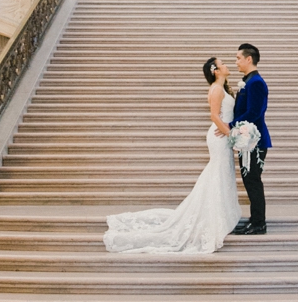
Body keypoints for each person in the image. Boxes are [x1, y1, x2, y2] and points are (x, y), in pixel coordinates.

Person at [103, 57, 242, 253]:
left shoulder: (222, 87)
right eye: (223, 64)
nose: (227, 65)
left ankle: (221, 214)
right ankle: (214, 216)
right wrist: (232, 135)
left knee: (221, 173)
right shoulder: (217, 89)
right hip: (219, 137)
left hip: (222, 135)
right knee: (218, 173)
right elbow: (214, 116)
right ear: (216, 71)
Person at [231, 43, 270, 234]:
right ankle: (255, 219)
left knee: (253, 180)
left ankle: (259, 223)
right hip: (247, 140)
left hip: (255, 140)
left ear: (249, 59)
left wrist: (231, 126)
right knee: (250, 180)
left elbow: (254, 112)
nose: (236, 62)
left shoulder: (256, 82)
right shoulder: (249, 80)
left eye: (238, 58)